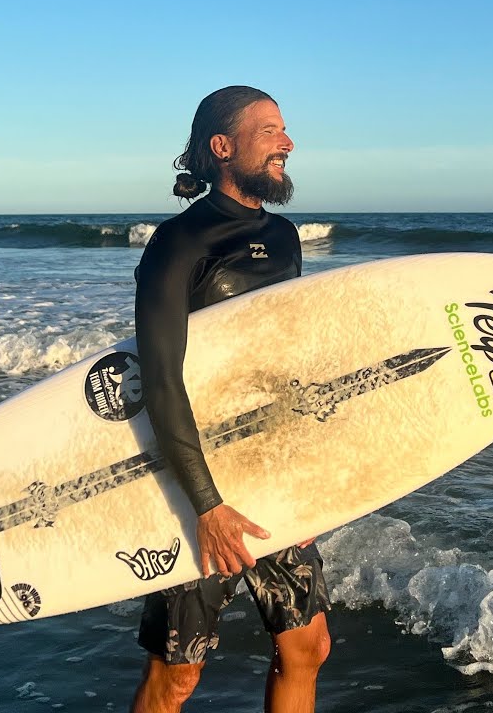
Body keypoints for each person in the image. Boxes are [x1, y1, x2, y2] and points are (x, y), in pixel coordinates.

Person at [130, 86, 331, 713]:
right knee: (178, 674)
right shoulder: (179, 243)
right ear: (222, 147)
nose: (287, 142)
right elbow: (161, 381)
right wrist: (207, 505)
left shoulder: (286, 236)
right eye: (269, 130)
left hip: (271, 472)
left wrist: (309, 483)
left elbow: (285, 370)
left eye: (284, 129)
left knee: (307, 646)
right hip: (200, 481)